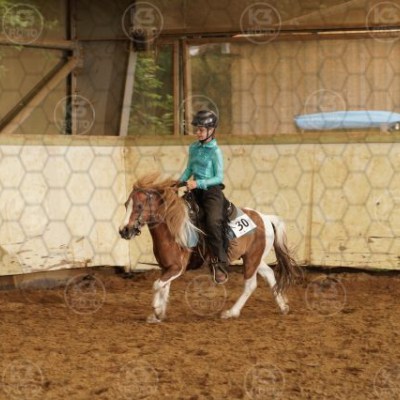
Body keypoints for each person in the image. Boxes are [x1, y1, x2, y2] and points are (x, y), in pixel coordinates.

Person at [179, 110, 229, 284]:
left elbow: (219, 177)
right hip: (194, 190)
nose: (197, 133)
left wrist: (198, 183)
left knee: (213, 222)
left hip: (211, 191)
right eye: (197, 129)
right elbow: (189, 169)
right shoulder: (193, 147)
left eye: (201, 130)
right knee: (178, 214)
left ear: (211, 130)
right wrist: (178, 182)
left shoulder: (216, 151)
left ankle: (219, 263)